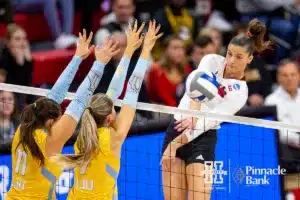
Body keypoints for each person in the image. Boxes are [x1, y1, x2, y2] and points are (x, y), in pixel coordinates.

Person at [160, 18, 273, 200]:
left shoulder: (240, 92)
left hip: (202, 138)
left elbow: (207, 122)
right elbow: (195, 89)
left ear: (250, 58)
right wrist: (193, 114)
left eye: (238, 57)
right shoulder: (211, 60)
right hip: (178, 126)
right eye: (229, 53)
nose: (231, 60)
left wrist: (175, 144)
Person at [51, 20, 162, 200]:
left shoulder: (84, 136)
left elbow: (113, 92)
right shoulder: (113, 138)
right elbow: (132, 90)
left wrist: (129, 51)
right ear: (110, 117)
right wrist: (144, 49)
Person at [6, 30, 120, 200]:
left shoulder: (24, 128)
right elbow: (80, 100)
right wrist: (99, 64)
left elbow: (54, 96)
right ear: (51, 122)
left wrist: (77, 58)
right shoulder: (51, 141)